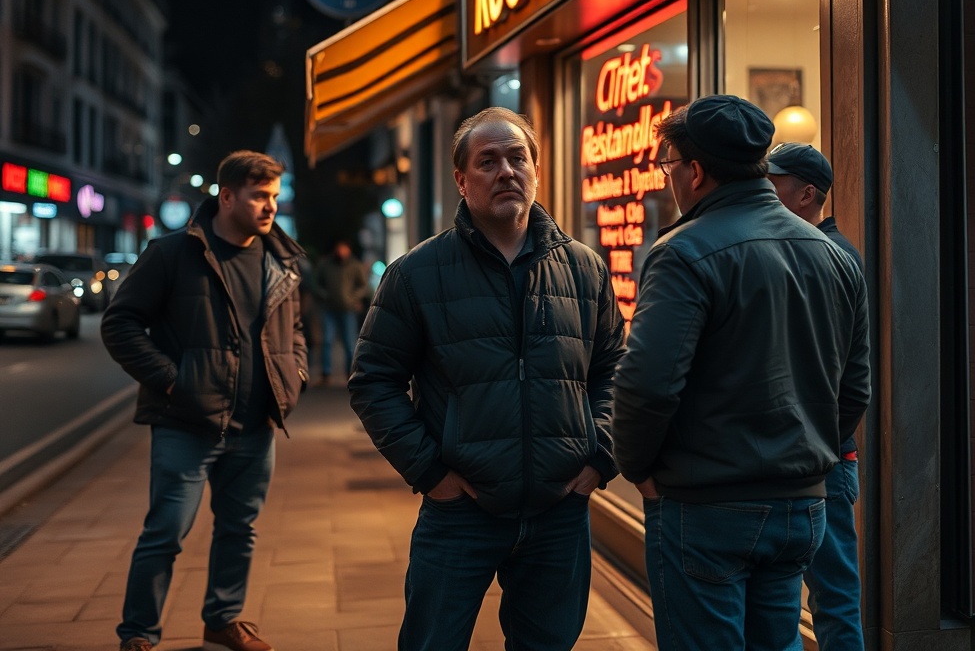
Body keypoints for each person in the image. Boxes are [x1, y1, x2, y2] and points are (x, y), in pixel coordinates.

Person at [348, 106, 626, 651]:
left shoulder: (584, 267)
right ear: (461, 179)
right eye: (488, 160)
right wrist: (431, 471)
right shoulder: (417, 273)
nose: (506, 171)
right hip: (460, 513)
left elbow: (616, 369)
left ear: (536, 171)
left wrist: (600, 458)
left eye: (517, 157)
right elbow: (373, 382)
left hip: (558, 513)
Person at [611, 95, 871, 651]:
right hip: (801, 506)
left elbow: (646, 385)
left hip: (706, 507)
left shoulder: (682, 253)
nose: (668, 180)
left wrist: (638, 467)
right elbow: (854, 390)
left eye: (668, 166)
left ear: (696, 171)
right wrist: (811, 455)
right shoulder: (833, 256)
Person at [102, 150, 308, 651]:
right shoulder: (173, 253)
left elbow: (295, 329)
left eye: (275, 197)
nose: (269, 207)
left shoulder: (282, 258)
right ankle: (138, 634)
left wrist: (294, 373)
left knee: (240, 528)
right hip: (186, 422)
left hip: (256, 424)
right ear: (228, 195)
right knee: (165, 533)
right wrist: (173, 381)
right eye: (260, 196)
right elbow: (120, 323)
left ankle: (223, 618)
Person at [767, 141, 866, 651]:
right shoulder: (801, 249)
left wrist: (819, 441)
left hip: (823, 459)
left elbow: (854, 381)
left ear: (806, 194)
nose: (766, 188)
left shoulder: (829, 256)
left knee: (833, 596)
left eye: (776, 182)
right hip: (816, 454)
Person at [313, 239, 368, 385]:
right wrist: (324, 295)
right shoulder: (325, 264)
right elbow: (316, 283)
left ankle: (350, 374)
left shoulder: (354, 265)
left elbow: (363, 286)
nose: (341, 252)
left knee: (350, 343)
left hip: (348, 310)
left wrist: (352, 298)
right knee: (327, 341)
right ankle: (326, 374)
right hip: (329, 309)